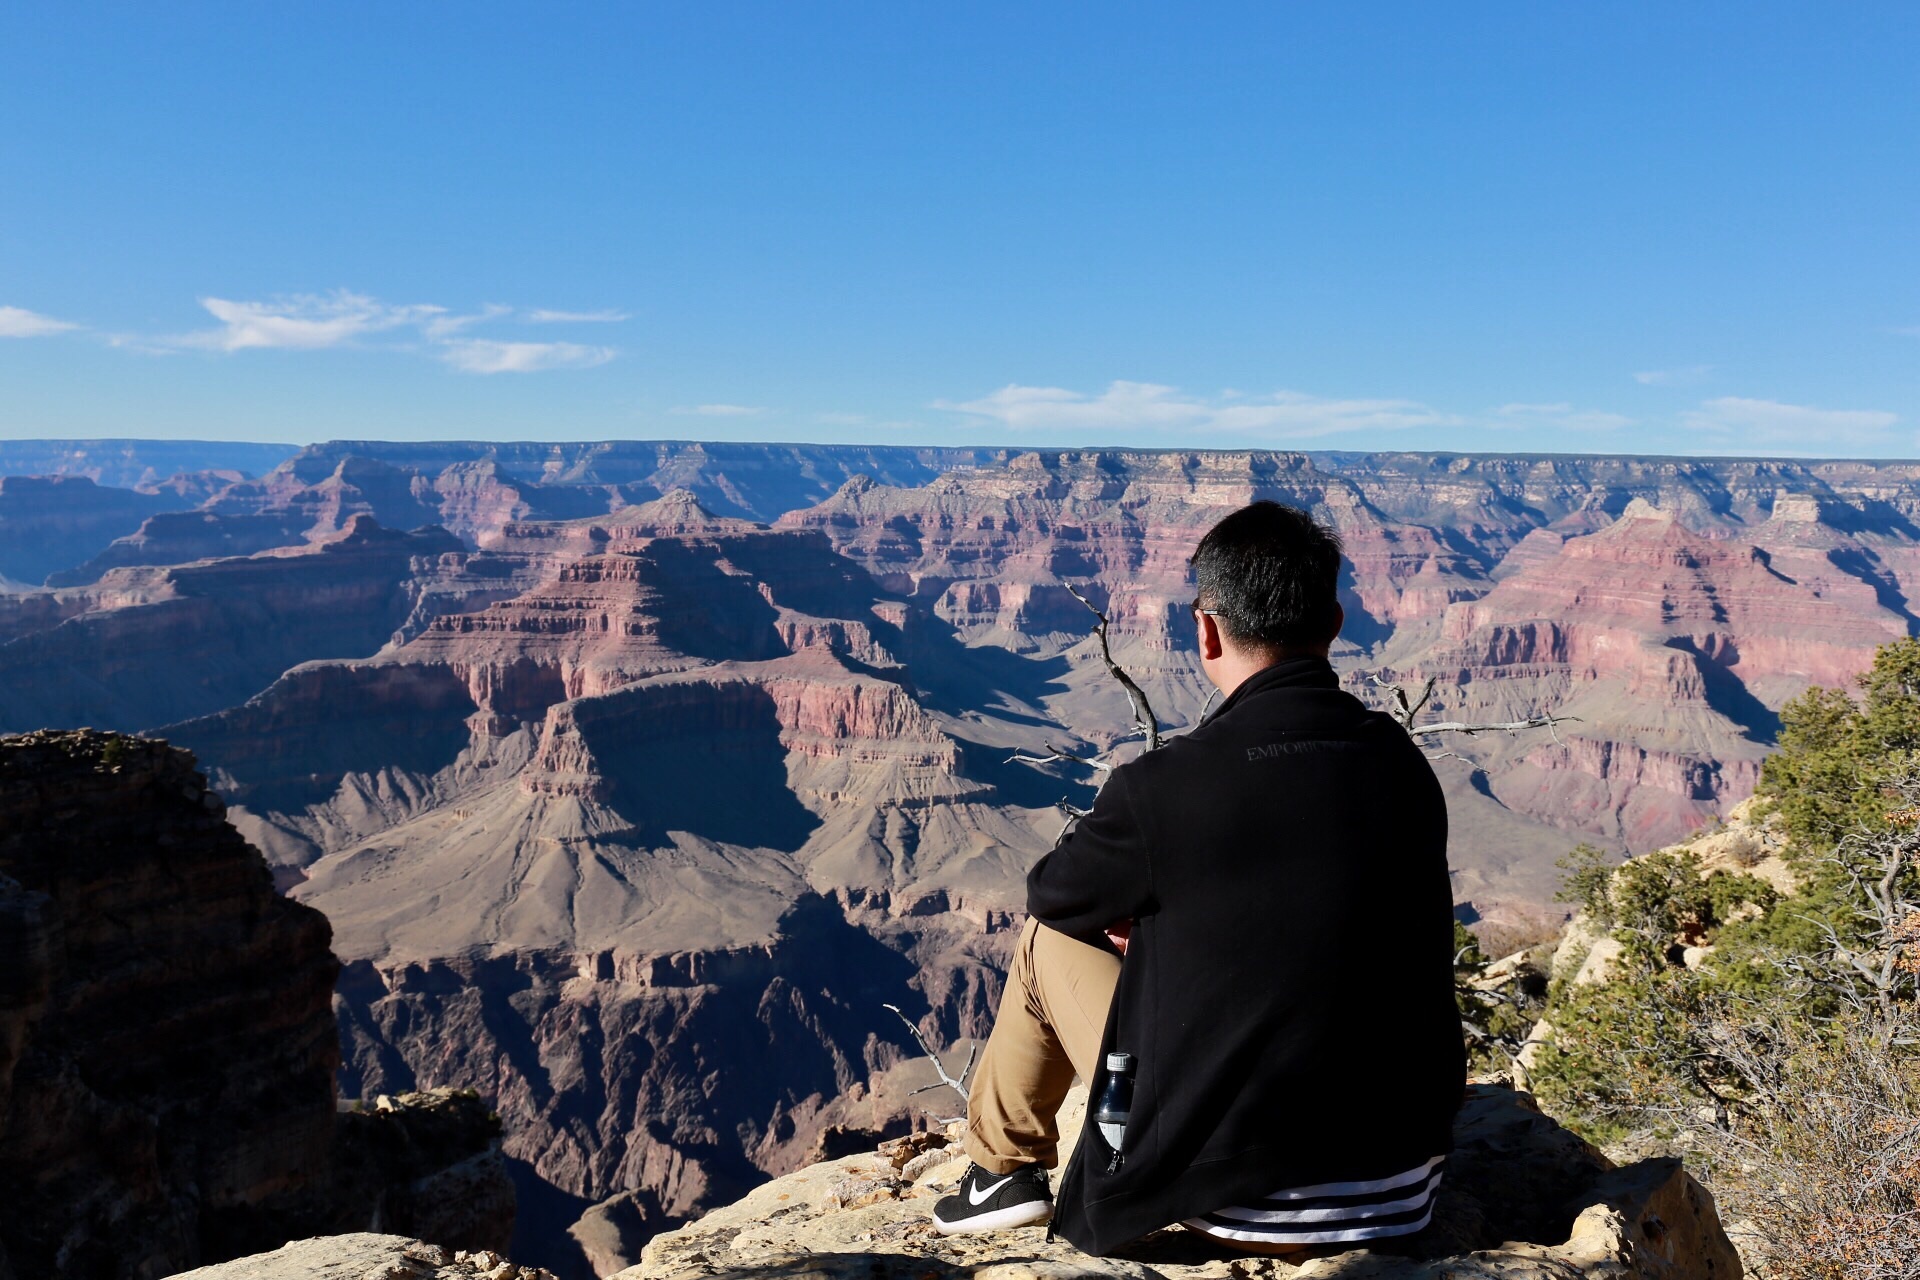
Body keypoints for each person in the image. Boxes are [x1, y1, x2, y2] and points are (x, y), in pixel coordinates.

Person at [931, 501, 1464, 1257]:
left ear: (1206, 629)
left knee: (1047, 941)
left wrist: (1153, 928)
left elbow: (1054, 892)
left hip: (1233, 1205)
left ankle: (1001, 1173)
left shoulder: (1165, 787)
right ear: (1336, 622)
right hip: (1399, 1191)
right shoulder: (1402, 764)